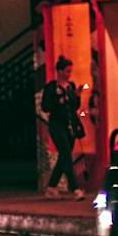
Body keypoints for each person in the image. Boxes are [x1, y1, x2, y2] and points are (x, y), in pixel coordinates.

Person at [36, 56, 83, 197]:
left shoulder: (71, 86)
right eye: (67, 71)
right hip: (57, 125)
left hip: (70, 125)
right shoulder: (51, 87)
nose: (69, 74)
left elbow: (75, 107)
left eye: (70, 71)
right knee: (66, 154)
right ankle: (75, 188)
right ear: (59, 71)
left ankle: (51, 186)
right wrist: (59, 101)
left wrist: (77, 96)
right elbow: (45, 107)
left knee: (64, 156)